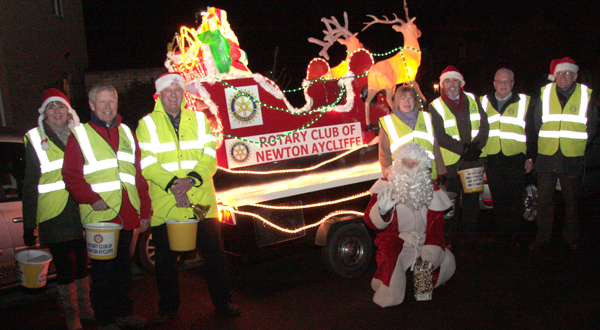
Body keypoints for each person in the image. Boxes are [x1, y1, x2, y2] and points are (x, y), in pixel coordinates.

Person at [135, 73, 239, 325]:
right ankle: (168, 309)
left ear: (183, 93)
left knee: (214, 256)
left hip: (201, 202)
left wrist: (191, 180)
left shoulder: (201, 120)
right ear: (159, 95)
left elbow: (209, 158)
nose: (173, 94)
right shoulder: (146, 124)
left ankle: (223, 302)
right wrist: (174, 185)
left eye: (177, 89)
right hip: (167, 204)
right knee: (165, 263)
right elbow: (147, 164)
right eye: (168, 90)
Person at [62, 83, 152, 330]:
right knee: (102, 272)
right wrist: (91, 197)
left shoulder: (127, 132)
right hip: (99, 216)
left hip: (127, 214)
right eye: (101, 102)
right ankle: (105, 319)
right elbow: (70, 175)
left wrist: (144, 211)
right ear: (91, 105)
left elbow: (138, 175)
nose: (107, 107)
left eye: (111, 101)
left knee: (124, 268)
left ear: (117, 103)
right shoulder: (79, 135)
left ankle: (125, 312)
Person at [23, 88, 94, 330]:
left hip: (82, 209)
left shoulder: (83, 135)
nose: (56, 111)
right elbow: (30, 184)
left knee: (83, 262)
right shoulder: (34, 138)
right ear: (44, 113)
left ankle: (86, 308)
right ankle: (71, 315)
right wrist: (28, 224)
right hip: (54, 214)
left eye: (61, 106)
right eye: (51, 107)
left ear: (68, 111)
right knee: (64, 266)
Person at [364, 142, 455, 307]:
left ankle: (420, 284)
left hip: (424, 240)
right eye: (405, 163)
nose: (410, 167)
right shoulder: (384, 186)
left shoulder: (430, 189)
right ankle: (386, 285)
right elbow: (371, 223)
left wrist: (430, 254)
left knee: (447, 262)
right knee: (390, 257)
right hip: (398, 240)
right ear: (398, 164)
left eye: (415, 163)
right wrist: (382, 211)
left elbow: (436, 229)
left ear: (423, 166)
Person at [528, 57, 598, 251]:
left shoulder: (585, 95)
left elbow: (591, 126)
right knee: (544, 201)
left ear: (575, 76)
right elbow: (537, 124)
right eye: (559, 73)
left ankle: (571, 237)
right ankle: (543, 238)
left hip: (571, 155)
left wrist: (578, 146)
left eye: (568, 73)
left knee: (571, 201)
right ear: (554, 76)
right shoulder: (545, 93)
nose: (563, 77)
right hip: (547, 155)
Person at [429, 65, 489, 247]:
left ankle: (470, 237)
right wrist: (464, 149)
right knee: (450, 203)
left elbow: (484, 126)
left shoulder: (473, 99)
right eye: (447, 81)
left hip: (473, 160)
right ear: (442, 85)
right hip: (451, 164)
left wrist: (476, 147)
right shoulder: (435, 105)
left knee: (472, 201)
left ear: (461, 83)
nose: (451, 84)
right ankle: (449, 239)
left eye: (455, 80)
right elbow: (440, 136)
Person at [480, 68, 533, 247]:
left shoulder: (525, 102)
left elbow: (532, 131)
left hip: (516, 158)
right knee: (498, 199)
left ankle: (514, 235)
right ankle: (501, 234)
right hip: (493, 158)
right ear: (494, 83)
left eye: (506, 82)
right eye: (499, 81)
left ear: (512, 83)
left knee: (515, 200)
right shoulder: (483, 102)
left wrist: (530, 157)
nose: (502, 85)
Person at [378, 84, 446, 179]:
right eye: (403, 98)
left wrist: (441, 170)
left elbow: (435, 146)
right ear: (397, 101)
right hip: (402, 179)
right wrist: (388, 175)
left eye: (410, 98)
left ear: (415, 101)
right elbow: (384, 154)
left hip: (428, 175)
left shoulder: (426, 117)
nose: (407, 102)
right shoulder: (387, 123)